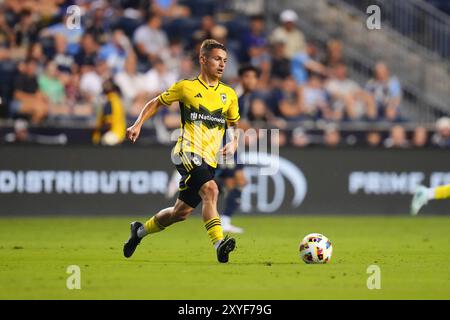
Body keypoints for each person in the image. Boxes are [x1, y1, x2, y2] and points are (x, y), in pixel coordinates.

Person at [123, 39, 240, 263]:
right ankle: (219, 244)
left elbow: (233, 123)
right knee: (211, 190)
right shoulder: (186, 87)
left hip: (210, 159)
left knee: (180, 213)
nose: (222, 64)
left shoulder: (229, 94)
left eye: (225, 60)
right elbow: (156, 102)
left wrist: (233, 141)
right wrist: (137, 124)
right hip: (186, 151)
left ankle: (139, 232)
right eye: (217, 59)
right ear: (203, 60)